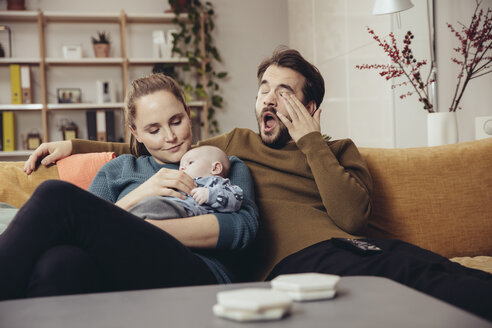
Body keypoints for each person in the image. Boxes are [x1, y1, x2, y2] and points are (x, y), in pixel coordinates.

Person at [23, 47, 492, 321]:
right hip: (299, 267)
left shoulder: (340, 151)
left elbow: (352, 216)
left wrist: (310, 139)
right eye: (265, 87)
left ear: (311, 108)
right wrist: (76, 147)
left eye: (284, 92)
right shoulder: (234, 145)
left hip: (362, 249)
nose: (270, 97)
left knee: (460, 282)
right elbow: (157, 146)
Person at [0, 73, 258, 300]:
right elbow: (81, 230)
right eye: (154, 129)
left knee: (55, 195)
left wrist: (144, 229)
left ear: (189, 116)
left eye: (176, 121)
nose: (170, 137)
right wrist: (142, 192)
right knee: (59, 263)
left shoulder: (222, 164)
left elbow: (241, 229)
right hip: (118, 275)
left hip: (198, 273)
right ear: (136, 133)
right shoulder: (118, 170)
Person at [123, 145, 243, 220]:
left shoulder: (216, 182)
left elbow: (236, 200)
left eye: (190, 163)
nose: (182, 168)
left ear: (215, 168)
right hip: (169, 207)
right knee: (147, 206)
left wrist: (209, 195)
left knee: (151, 205)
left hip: (187, 210)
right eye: (181, 165)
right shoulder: (179, 179)